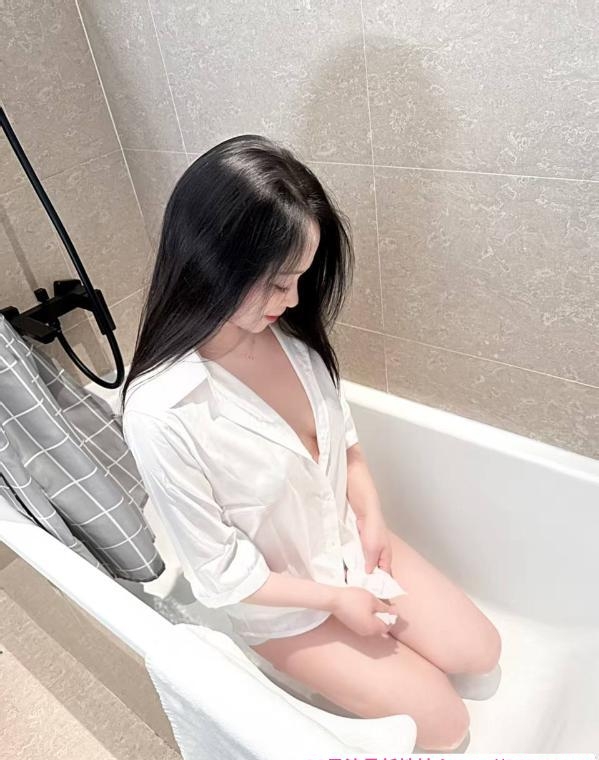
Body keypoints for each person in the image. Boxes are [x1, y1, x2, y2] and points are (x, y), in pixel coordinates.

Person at [120, 134, 501, 751]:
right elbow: (221, 575)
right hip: (283, 604)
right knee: (447, 726)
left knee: (481, 652)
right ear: (213, 263)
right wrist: (335, 600)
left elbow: (343, 445)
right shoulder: (163, 411)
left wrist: (371, 518)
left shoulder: (291, 338)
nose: (294, 299)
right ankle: (297, 666)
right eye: (277, 282)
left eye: (299, 277)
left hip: (345, 547)